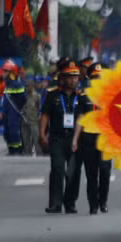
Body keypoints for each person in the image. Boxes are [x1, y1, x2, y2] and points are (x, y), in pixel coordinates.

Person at [40, 59, 86, 213]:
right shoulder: (53, 95)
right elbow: (45, 116)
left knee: (73, 172)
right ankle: (55, 203)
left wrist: (76, 139)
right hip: (57, 138)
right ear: (63, 78)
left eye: (75, 77)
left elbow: (81, 118)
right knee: (57, 169)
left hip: (75, 138)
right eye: (70, 77)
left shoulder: (81, 96)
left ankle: (70, 202)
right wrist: (42, 134)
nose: (73, 80)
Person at [71, 63, 113, 214]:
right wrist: (75, 139)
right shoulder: (83, 96)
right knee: (91, 172)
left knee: (105, 170)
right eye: (95, 77)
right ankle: (93, 204)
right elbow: (80, 118)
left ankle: (103, 200)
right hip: (88, 138)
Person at [0, 61, 26, 154]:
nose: (3, 73)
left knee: (13, 131)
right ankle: (11, 149)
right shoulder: (6, 84)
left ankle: (17, 150)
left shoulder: (17, 85)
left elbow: (23, 99)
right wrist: (1, 110)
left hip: (13, 112)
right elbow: (3, 99)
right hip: (6, 112)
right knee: (7, 132)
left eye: (5, 71)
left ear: (11, 73)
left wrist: (17, 109)